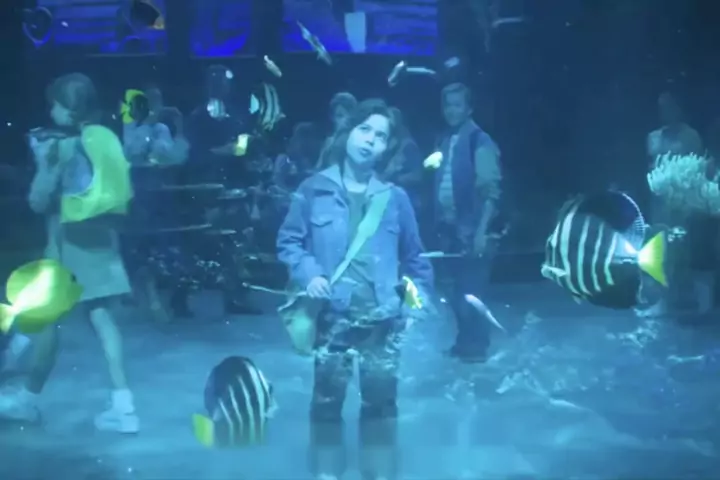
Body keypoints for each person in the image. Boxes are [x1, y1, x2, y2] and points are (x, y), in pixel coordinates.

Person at [276, 99, 434, 480]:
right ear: (349, 133)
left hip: (383, 322)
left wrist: (415, 306)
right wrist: (310, 274)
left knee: (381, 408)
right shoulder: (313, 189)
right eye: (365, 130)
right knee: (326, 406)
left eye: (380, 136)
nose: (370, 140)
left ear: (386, 148)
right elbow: (289, 241)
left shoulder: (394, 199)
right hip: (333, 319)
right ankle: (326, 474)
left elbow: (415, 261)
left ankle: (377, 474)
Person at [0, 73, 139, 433]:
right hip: (102, 240)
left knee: (46, 321)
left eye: (56, 105)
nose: (51, 111)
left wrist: (43, 162)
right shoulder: (102, 139)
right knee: (103, 320)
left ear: (69, 108)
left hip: (67, 246)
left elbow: (37, 200)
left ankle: (27, 399)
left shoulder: (60, 147)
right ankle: (124, 406)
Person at [432, 82, 502, 363]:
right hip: (449, 229)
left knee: (472, 290)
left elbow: (490, 191)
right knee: (454, 290)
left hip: (471, 229)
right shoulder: (444, 140)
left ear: (469, 108)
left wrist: (482, 231)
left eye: (457, 105)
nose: (451, 110)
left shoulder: (480, 141)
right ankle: (464, 341)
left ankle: (477, 346)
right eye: (447, 105)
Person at [641, 92, 707, 317]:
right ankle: (663, 300)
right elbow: (651, 167)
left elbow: (698, 167)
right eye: (662, 108)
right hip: (659, 204)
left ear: (678, 108)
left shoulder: (691, 136)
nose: (665, 112)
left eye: (669, 106)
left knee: (682, 250)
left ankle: (688, 297)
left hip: (682, 203)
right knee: (661, 250)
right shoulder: (652, 137)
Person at [316, 92, 358, 170]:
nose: (345, 119)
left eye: (349, 115)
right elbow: (318, 167)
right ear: (332, 117)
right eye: (340, 115)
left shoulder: (355, 141)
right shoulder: (329, 140)